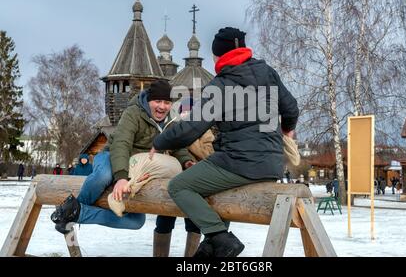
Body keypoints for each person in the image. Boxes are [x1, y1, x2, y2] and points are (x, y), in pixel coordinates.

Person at [152, 27, 299, 257]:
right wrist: (287, 130)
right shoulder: (268, 73)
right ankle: (212, 245)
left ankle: (219, 237)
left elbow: (191, 128)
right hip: (272, 165)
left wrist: (160, 141)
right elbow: (291, 108)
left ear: (218, 56)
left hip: (239, 162)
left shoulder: (220, 85)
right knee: (216, 196)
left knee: (179, 186)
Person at [49, 80, 199, 257]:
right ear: (149, 100)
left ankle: (77, 213)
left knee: (136, 221)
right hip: (113, 155)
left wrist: (186, 161)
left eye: (166, 102)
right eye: (158, 101)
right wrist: (121, 177)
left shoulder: (171, 121)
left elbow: (177, 146)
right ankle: (72, 208)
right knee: (104, 176)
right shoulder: (134, 113)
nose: (162, 106)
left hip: (138, 166)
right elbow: (121, 143)